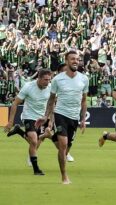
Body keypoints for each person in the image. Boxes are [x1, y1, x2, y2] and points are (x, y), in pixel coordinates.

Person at [36, 51, 89, 184]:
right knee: (63, 145)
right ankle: (64, 176)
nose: (76, 61)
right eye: (72, 59)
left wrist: (83, 120)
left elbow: (84, 100)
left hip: (74, 117)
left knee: (66, 148)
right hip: (60, 114)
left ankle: (48, 136)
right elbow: (51, 99)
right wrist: (46, 116)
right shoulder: (57, 79)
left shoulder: (84, 79)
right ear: (66, 61)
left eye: (77, 59)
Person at [4, 69, 52, 175]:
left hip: (42, 118)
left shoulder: (50, 87)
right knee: (34, 141)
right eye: (45, 80)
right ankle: (36, 169)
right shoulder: (28, 87)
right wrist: (10, 121)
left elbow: (52, 103)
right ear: (38, 78)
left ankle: (19, 131)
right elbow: (15, 103)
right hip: (28, 116)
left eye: (49, 79)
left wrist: (48, 117)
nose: (47, 82)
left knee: (35, 142)